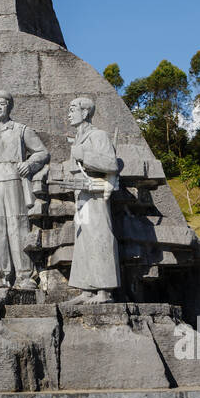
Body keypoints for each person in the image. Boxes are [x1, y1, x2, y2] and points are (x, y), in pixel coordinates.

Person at [0, 91, 49, 288]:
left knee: (18, 227)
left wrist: (30, 164)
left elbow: (42, 152)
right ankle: (1, 275)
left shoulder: (21, 130)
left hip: (14, 180)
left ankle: (24, 275)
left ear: (9, 107)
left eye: (2, 103)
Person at [65, 97, 121, 301]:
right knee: (83, 239)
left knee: (100, 237)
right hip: (81, 194)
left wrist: (83, 154)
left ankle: (104, 290)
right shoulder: (78, 137)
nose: (69, 113)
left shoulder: (98, 135)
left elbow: (111, 164)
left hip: (95, 193)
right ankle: (86, 288)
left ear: (85, 112)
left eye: (72, 109)